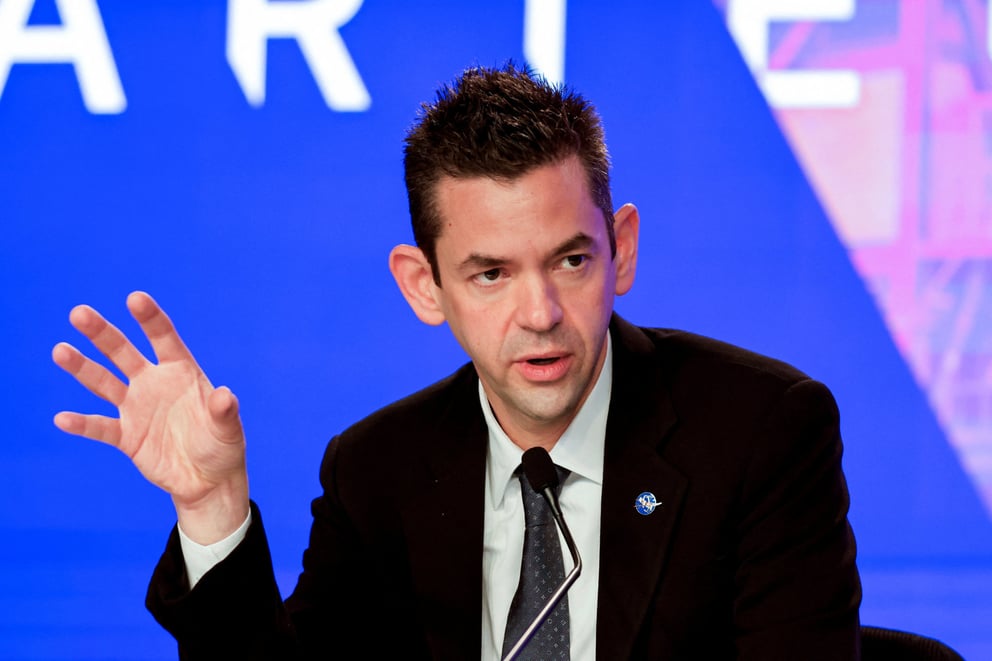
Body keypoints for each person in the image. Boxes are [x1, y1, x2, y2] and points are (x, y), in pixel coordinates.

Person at [53, 64, 861, 659]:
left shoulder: (761, 432)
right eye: (491, 274)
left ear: (622, 250)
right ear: (424, 285)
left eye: (572, 261)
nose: (540, 314)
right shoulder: (380, 471)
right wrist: (213, 509)